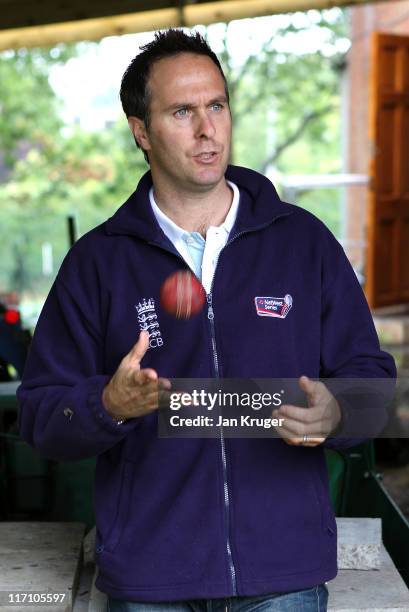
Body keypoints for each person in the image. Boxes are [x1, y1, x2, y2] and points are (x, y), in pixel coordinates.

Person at [17, 29, 396, 612]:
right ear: (141, 130)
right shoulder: (98, 262)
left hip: (283, 574)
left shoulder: (303, 243)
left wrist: (339, 409)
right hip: (151, 580)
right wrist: (107, 404)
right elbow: (40, 415)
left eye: (216, 105)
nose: (207, 129)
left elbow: (374, 383)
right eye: (181, 111)